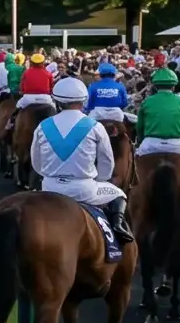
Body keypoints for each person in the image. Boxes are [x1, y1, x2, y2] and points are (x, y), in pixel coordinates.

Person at [31, 76, 131, 255]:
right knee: (119, 194)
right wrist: (99, 180)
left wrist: (52, 175)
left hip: (50, 188)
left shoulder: (43, 126)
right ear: (83, 101)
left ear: (57, 101)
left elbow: (36, 163)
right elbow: (107, 163)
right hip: (85, 189)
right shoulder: (94, 126)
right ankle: (118, 232)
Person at [135, 66, 180, 158]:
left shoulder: (146, 102)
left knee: (135, 162)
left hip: (151, 144)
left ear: (155, 86)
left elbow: (139, 127)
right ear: (173, 86)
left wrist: (141, 140)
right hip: (177, 144)